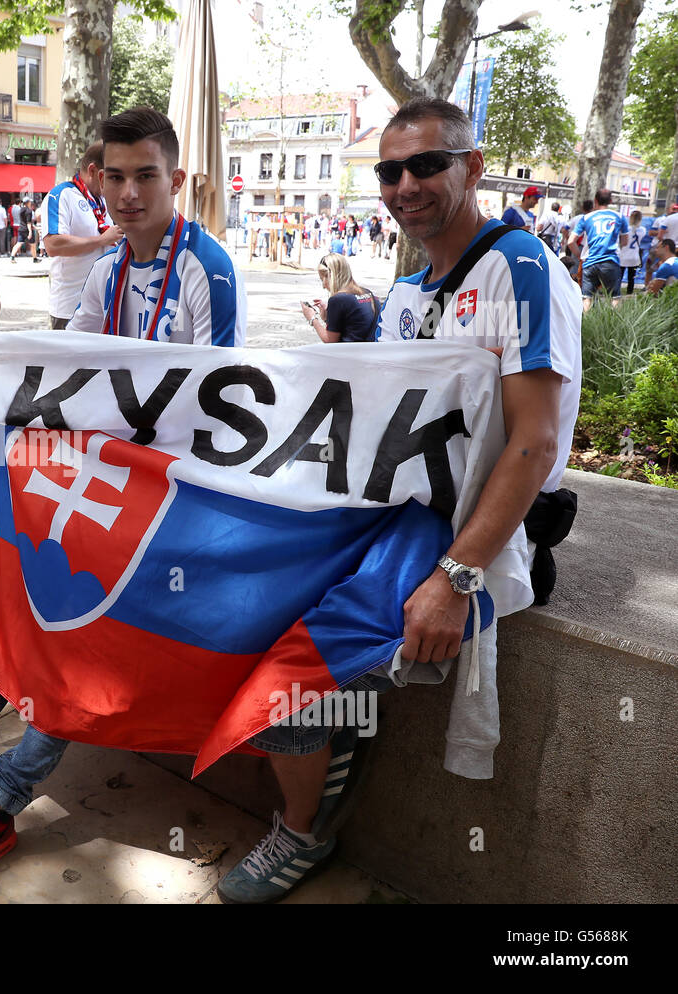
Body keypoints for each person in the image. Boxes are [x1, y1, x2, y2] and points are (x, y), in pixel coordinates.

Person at [0, 107, 247, 895]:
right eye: (115, 176)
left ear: (178, 180)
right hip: (103, 481)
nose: (129, 193)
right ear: (97, 179)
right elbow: (77, 374)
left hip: (166, 503)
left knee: (72, 634)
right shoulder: (105, 269)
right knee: (25, 605)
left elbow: (216, 403)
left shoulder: (211, 267)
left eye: (147, 176)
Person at [216, 97, 581, 903]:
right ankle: (330, 737)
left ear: (472, 168)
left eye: (426, 165)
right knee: (231, 594)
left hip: (463, 541)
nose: (405, 184)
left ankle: (302, 830)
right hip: (385, 522)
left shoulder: (518, 268)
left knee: (287, 682)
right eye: (389, 169)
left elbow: (535, 443)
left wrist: (457, 581)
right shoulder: (413, 286)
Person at [42, 142, 123, 328]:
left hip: (104, 307)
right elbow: (53, 244)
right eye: (111, 176)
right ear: (93, 170)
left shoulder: (104, 200)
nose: (114, 183)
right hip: (69, 308)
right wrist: (102, 240)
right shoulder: (62, 195)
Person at [572, 188, 629, 310]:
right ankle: (613, 324)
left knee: (586, 298)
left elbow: (571, 241)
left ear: (595, 200)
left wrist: (579, 256)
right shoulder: (620, 217)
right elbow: (625, 241)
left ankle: (585, 325)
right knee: (614, 298)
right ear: (611, 200)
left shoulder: (586, 217)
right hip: (610, 261)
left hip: (590, 261)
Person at [301, 253, 378, 343]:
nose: (323, 286)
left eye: (322, 279)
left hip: (350, 354)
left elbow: (330, 341)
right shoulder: (368, 293)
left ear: (330, 276)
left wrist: (312, 318)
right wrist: (328, 318)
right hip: (371, 351)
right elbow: (354, 327)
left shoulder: (338, 300)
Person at [620, 209, 647, 295]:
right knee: (631, 277)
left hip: (623, 256)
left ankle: (616, 292)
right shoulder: (643, 230)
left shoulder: (625, 229)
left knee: (619, 276)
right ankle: (629, 292)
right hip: (635, 257)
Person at [8, 198, 40, 263]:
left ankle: (12, 257)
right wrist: (30, 231)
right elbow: (28, 222)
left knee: (19, 243)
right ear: (28, 202)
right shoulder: (29, 211)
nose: (31, 203)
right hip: (27, 230)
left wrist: (35, 227)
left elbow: (24, 221)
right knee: (33, 244)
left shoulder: (21, 210)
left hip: (21, 229)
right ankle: (35, 259)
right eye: (30, 202)